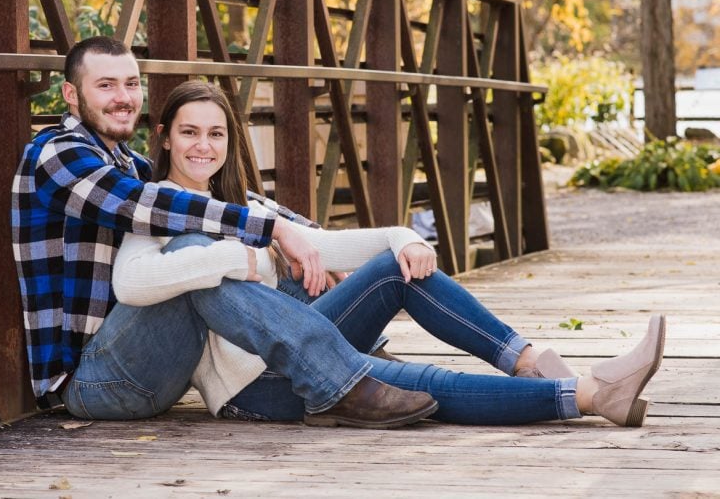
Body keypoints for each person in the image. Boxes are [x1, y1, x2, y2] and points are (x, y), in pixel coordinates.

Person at [108, 80, 666, 428]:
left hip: (304, 333)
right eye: (189, 133)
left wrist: (403, 236)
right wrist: (247, 260)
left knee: (397, 271)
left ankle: (527, 359)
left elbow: (324, 243)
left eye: (216, 134)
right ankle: (589, 395)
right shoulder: (151, 211)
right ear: (163, 138)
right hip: (254, 386)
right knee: (421, 382)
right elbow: (132, 283)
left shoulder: (248, 208)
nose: (203, 146)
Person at [12, 36, 439, 430]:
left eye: (131, 84)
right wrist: (266, 235)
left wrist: (302, 238)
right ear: (71, 94)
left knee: (263, 255)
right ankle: (341, 377)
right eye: (106, 85)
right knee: (194, 251)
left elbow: (235, 203)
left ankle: (358, 357)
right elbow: (146, 205)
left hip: (153, 368)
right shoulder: (56, 154)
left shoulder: (131, 165)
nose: (124, 98)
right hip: (90, 382)